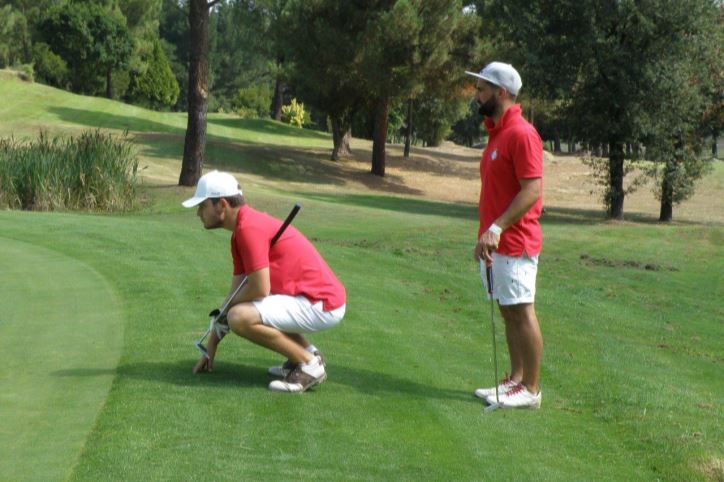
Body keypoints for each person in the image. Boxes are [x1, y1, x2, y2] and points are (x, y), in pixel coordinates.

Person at [182, 170, 346, 393]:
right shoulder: (240, 232)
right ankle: (306, 354)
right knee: (238, 310)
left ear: (221, 205)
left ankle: (309, 364)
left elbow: (259, 289)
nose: (198, 213)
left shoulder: (249, 229)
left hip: (323, 304)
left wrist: (228, 310)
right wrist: (210, 347)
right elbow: (237, 291)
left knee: (240, 316)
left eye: (202, 206)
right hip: (310, 299)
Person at [465, 62, 544, 409]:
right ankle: (514, 380)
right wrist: (485, 234)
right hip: (496, 242)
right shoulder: (497, 134)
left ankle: (531, 388)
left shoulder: (522, 134)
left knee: (522, 311)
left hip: (516, 241)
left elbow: (532, 190)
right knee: (508, 310)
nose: (477, 94)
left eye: (482, 88)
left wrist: (497, 228)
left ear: (501, 92)